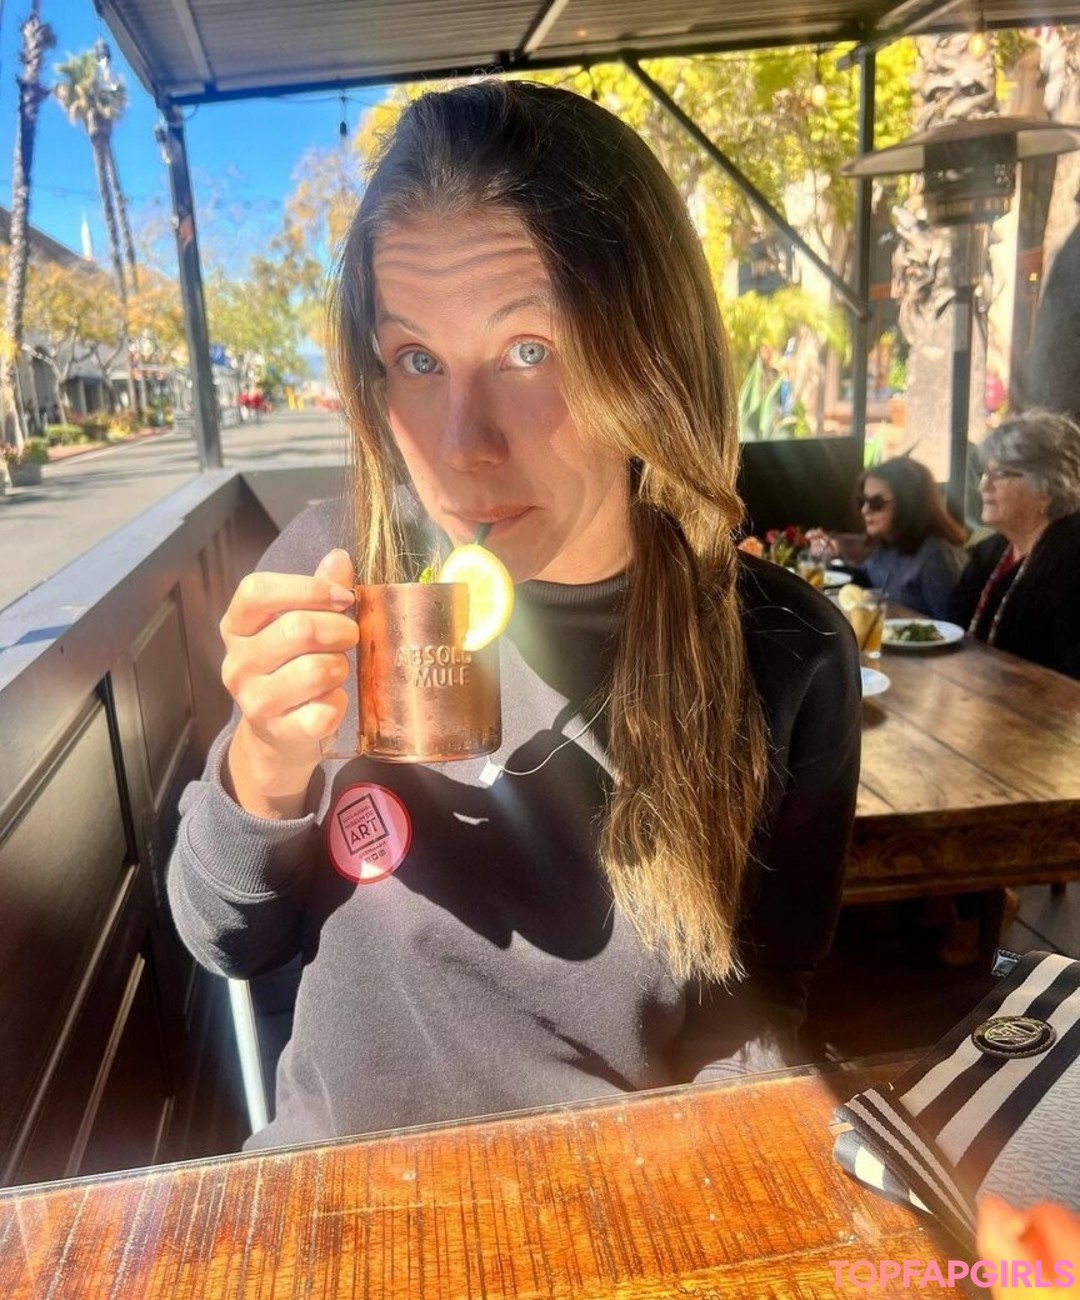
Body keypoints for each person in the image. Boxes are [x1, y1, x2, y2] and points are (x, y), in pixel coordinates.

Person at [167, 80, 861, 1153]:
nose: (463, 446)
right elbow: (226, 939)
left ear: (653, 359)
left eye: (529, 349)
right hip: (341, 1184)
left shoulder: (786, 653)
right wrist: (264, 763)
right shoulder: (339, 573)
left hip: (622, 1194)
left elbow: (764, 999)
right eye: (416, 360)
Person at [949, 409, 1080, 679]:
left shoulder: (1071, 559)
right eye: (984, 474)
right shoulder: (990, 552)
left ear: (1046, 489)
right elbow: (952, 627)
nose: (984, 487)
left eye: (1000, 474)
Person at [811, 457, 967, 618]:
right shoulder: (886, 543)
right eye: (862, 501)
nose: (865, 510)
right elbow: (864, 585)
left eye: (876, 502)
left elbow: (955, 626)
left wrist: (901, 614)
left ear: (907, 503)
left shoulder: (937, 556)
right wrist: (831, 558)